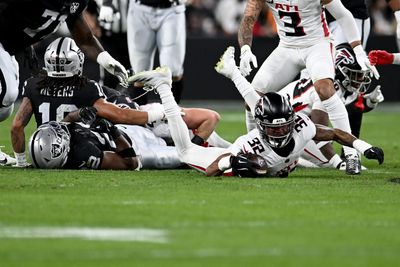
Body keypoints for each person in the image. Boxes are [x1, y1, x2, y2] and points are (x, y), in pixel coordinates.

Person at [127, 48, 384, 178]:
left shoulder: (301, 127)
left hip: (280, 126)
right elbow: (212, 170)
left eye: (285, 126)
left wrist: (364, 147)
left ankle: (231, 72)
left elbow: (336, 133)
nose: (282, 131)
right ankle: (164, 88)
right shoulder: (250, 143)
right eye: (276, 128)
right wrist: (231, 163)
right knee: (185, 153)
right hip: (241, 152)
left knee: (261, 111)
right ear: (263, 129)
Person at [237, 0, 379, 175]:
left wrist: (358, 50)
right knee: (253, 95)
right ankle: (257, 147)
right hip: (286, 47)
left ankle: (351, 154)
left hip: (317, 44)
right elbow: (249, 17)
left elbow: (343, 14)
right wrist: (245, 49)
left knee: (324, 88)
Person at [0, 0, 128, 164]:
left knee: (4, 110)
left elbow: (85, 38)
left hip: (9, 48)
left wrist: (107, 60)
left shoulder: (75, 3)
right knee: (6, 93)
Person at [11, 37, 165, 167]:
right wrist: (154, 115)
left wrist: (21, 162)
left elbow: (17, 126)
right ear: (76, 60)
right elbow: (119, 114)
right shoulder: (85, 87)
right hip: (85, 143)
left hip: (52, 147)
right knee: (153, 132)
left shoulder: (33, 85)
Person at [278, 43, 384, 171]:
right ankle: (291, 158)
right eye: (357, 74)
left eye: (362, 74)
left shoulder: (342, 85)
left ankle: (293, 157)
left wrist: (371, 101)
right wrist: (338, 163)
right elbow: (317, 130)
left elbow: (355, 106)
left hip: (296, 123)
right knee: (327, 162)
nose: (361, 79)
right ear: (342, 71)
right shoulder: (327, 89)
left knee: (328, 142)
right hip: (281, 128)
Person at [125, 0, 187, 104]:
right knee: (140, 73)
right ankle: (141, 117)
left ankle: (172, 115)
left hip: (172, 9)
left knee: (173, 71)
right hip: (140, 8)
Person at [28, 119, 140, 170]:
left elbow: (69, 120)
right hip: (135, 144)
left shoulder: (56, 129)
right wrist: (113, 130)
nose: (58, 128)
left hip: (124, 131)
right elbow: (131, 162)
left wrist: (81, 112)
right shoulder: (83, 153)